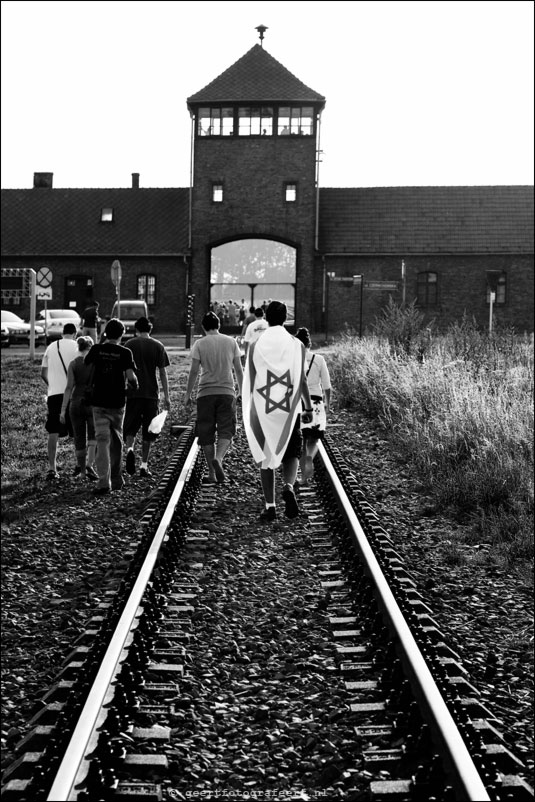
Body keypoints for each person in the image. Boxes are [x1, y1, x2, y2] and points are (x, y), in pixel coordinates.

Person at [242, 301, 313, 521]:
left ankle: (270, 506)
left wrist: (249, 407)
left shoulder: (255, 345)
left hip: (264, 409)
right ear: (285, 318)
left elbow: (250, 379)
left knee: (266, 455)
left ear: (267, 318)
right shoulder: (297, 345)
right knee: (292, 451)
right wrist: (308, 406)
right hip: (288, 408)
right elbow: (300, 379)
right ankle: (289, 486)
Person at [184, 311, 243, 484]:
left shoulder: (199, 344)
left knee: (206, 433)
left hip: (205, 393)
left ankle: (211, 473)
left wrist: (188, 394)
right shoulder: (231, 342)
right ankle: (219, 457)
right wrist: (242, 391)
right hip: (227, 392)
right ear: (219, 325)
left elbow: (194, 371)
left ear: (203, 327)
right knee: (226, 429)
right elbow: (239, 369)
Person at [84, 318, 138, 496]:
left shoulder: (96, 349)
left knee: (102, 442)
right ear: (122, 334)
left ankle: (102, 482)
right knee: (116, 442)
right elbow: (131, 378)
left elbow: (87, 367)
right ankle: (116, 479)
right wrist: (134, 386)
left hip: (98, 402)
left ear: (106, 333)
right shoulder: (125, 352)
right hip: (117, 403)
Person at [123, 316, 171, 479]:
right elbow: (163, 372)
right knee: (149, 430)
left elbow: (125, 371)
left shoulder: (129, 345)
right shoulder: (158, 346)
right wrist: (167, 396)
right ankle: (144, 466)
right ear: (150, 329)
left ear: (136, 329)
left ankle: (129, 450)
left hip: (133, 393)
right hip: (151, 394)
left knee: (130, 426)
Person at [40, 322, 79, 480]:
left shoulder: (51, 347)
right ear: (75, 334)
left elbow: (43, 373)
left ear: (63, 333)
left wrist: (53, 386)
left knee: (53, 431)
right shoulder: (78, 346)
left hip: (54, 394)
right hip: (74, 394)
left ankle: (52, 468)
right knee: (77, 430)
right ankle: (79, 465)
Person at [294, 327, 332, 484]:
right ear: (309, 343)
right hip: (316, 401)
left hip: (299, 401)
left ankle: (302, 477)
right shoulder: (319, 359)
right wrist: (328, 403)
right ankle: (310, 456)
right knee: (314, 439)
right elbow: (327, 385)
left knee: (300, 439)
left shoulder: (295, 358)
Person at [59, 336, 98, 480]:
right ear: (91, 347)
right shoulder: (95, 363)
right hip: (92, 402)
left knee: (79, 438)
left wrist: (63, 410)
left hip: (75, 402)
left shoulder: (73, 364)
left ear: (79, 347)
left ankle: (82, 472)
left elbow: (69, 387)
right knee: (93, 436)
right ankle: (90, 465)